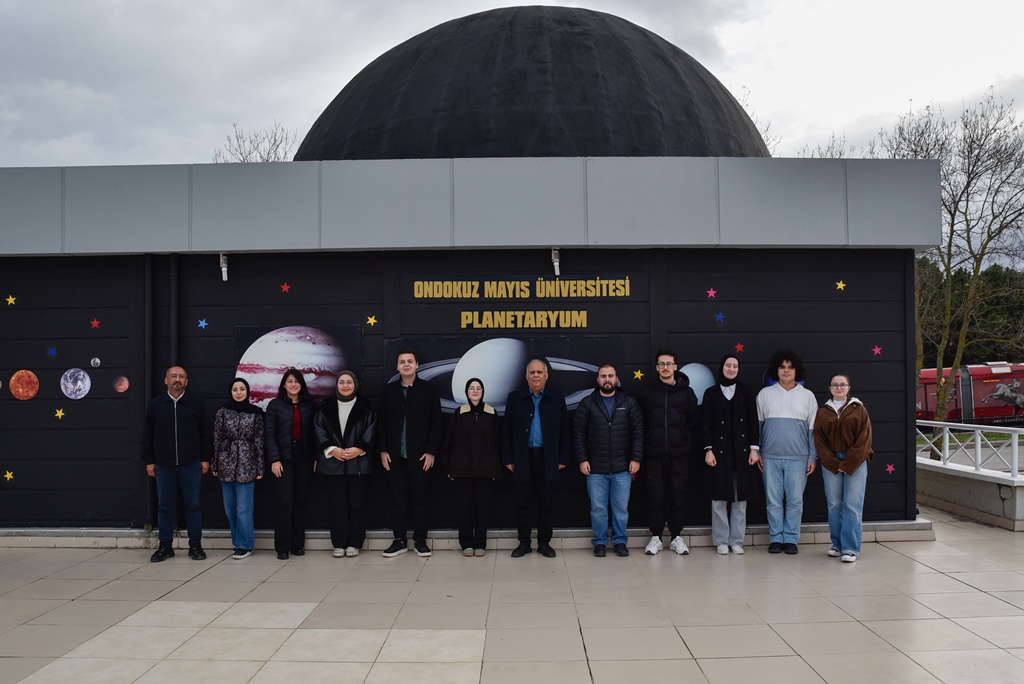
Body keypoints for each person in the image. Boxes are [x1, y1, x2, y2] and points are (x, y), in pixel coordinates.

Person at [377, 348, 443, 557]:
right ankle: (399, 540)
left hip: (421, 457)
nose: (406, 364)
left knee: (420, 500)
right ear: (397, 366)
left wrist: (431, 451)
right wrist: (383, 450)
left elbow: (436, 424)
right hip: (395, 457)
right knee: (398, 500)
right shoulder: (388, 391)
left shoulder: (429, 390)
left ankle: (420, 540)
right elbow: (382, 423)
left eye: (410, 361)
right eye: (402, 362)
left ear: (417, 365)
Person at [502, 358, 570, 558]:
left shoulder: (557, 398)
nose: (536, 376)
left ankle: (544, 543)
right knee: (522, 504)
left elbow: (565, 430)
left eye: (539, 372)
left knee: (546, 504)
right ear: (526, 376)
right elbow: (506, 430)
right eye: (532, 372)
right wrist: (508, 457)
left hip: (548, 459)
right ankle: (524, 543)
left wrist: (562, 458)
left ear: (546, 376)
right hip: (522, 459)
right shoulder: (515, 398)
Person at [574, 364, 644, 557]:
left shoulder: (629, 403)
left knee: (621, 509)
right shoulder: (587, 403)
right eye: (603, 376)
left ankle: (620, 541)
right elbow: (578, 433)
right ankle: (600, 542)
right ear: (597, 379)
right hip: (595, 468)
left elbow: (638, 433)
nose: (607, 379)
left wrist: (636, 458)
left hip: (623, 467)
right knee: (598, 509)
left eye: (610, 376)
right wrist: (582, 459)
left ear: (616, 378)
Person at [141, 365, 210, 562]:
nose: (177, 379)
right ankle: (165, 546)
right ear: (166, 380)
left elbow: (206, 433)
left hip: (191, 464)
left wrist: (205, 458)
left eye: (181, 376)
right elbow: (147, 435)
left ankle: (195, 545)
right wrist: (150, 461)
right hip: (164, 466)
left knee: (193, 505)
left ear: (186, 381)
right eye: (173, 376)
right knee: (165, 507)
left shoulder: (196, 404)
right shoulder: (155, 405)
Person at [637, 349, 700, 556]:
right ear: (657, 367)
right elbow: (641, 422)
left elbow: (693, 420)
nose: (665, 367)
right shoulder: (647, 393)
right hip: (654, 454)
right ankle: (656, 537)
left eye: (669, 364)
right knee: (655, 496)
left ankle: (676, 537)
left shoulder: (687, 393)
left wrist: (684, 439)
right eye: (662, 364)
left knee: (677, 495)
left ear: (675, 367)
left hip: (679, 454)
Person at [756, 348, 818, 555]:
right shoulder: (765, 395)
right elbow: (757, 428)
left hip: (798, 459)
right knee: (773, 501)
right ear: (776, 370)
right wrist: (758, 452)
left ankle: (791, 539)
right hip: (769, 457)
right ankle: (776, 538)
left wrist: (812, 456)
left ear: (796, 370)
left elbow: (812, 431)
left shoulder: (808, 397)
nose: (786, 371)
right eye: (782, 367)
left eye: (790, 367)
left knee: (795, 501)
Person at [701, 355, 761, 555]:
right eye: (728, 365)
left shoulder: (746, 392)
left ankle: (737, 541)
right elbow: (705, 424)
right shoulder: (711, 393)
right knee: (718, 499)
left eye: (735, 366)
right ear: (722, 367)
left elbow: (753, 422)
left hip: (742, 453)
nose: (732, 369)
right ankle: (721, 540)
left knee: (740, 499)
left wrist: (754, 449)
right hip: (719, 453)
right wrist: (708, 450)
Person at [314, 370, 377, 558]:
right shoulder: (325, 408)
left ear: (355, 384)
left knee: (357, 506)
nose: (345, 385)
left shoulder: (366, 408)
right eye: (342, 382)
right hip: (333, 465)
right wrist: (331, 449)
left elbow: (372, 430)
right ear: (336, 385)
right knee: (337, 506)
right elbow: (318, 430)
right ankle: (339, 543)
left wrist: (359, 448)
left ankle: (355, 543)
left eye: (349, 382)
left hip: (358, 465)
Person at [440, 378, 504, 557]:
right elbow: (448, 442)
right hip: (462, 471)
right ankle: (467, 543)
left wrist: (495, 469)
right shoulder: (459, 413)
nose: (475, 391)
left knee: (483, 510)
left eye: (478, 388)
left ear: (483, 392)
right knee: (464, 509)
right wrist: (448, 468)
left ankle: (480, 544)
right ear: (467, 392)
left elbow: (498, 443)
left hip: (485, 471)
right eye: (471, 388)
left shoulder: (491, 413)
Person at [814, 373, 873, 563]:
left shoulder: (859, 409)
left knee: (852, 505)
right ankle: (837, 545)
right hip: (831, 461)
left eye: (842, 385)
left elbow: (864, 440)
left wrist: (847, 464)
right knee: (834, 504)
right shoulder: (823, 412)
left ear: (849, 388)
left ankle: (850, 548)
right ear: (829, 388)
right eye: (835, 385)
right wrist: (833, 463)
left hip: (856, 460)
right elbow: (819, 440)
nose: (839, 388)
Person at [265, 368, 317, 560]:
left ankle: (297, 544)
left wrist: (316, 458)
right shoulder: (275, 405)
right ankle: (282, 546)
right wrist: (274, 459)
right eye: (290, 381)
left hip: (304, 459)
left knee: (300, 502)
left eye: (297, 381)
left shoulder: (309, 406)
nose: (293, 385)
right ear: (284, 385)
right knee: (285, 502)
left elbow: (315, 434)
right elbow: (269, 434)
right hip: (283, 460)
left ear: (301, 384)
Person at [211, 378, 265, 560]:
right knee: (230, 508)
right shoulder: (223, 411)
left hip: (247, 463)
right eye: (235, 389)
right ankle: (237, 542)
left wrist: (260, 467)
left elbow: (259, 441)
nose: (239, 392)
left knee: (243, 508)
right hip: (226, 462)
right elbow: (217, 437)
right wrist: (215, 463)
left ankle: (245, 545)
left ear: (247, 391)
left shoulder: (255, 413)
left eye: (242, 389)